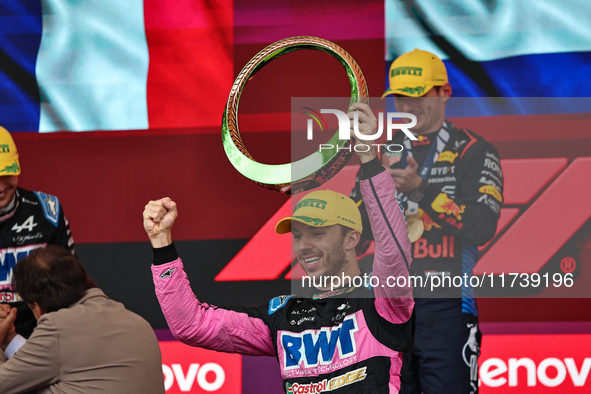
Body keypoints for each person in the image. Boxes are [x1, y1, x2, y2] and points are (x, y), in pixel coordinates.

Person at [143, 106, 415, 393]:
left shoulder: (382, 300)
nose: (304, 245)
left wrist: (369, 159)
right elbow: (193, 325)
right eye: (297, 235)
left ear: (350, 239)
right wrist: (162, 245)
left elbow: (392, 250)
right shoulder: (284, 315)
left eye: (318, 233)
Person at [351, 49, 504, 393]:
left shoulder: (473, 150)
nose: (409, 106)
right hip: (387, 305)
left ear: (444, 93)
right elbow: (356, 234)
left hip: (447, 304)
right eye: (401, 97)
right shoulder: (382, 152)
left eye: (418, 95)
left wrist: (421, 190)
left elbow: (482, 225)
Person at [0, 245, 165, 393]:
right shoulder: (138, 322)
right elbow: (57, 360)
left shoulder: (58, 327)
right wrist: (9, 339)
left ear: (37, 305)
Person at [0, 126, 76, 339]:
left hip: (45, 338)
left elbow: (70, 281)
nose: (0, 186)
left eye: (6, 173)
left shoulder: (47, 209)